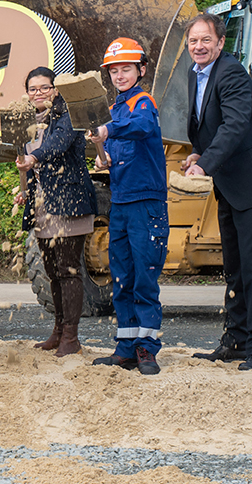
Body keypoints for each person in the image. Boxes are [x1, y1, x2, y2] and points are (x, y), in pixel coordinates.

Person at [183, 13, 252, 370]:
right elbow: (207, 124)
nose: (199, 46)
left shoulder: (231, 72)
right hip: (228, 183)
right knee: (236, 268)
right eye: (193, 40)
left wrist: (204, 164)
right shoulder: (197, 74)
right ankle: (237, 339)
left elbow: (237, 124)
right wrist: (199, 151)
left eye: (205, 40)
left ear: (221, 42)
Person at [85, 39, 168, 375]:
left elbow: (142, 127)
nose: (119, 75)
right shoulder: (117, 108)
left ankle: (147, 349)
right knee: (122, 277)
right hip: (120, 202)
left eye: (126, 69)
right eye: (114, 70)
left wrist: (107, 129)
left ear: (141, 70)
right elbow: (120, 151)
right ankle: (126, 347)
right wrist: (105, 157)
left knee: (145, 278)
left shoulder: (142, 103)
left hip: (145, 203)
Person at [14, 67, 98, 358]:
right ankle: (59, 330)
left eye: (45, 88)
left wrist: (34, 157)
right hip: (42, 205)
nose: (39, 93)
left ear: (56, 89)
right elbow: (22, 161)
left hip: (69, 200)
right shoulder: (26, 122)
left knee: (68, 269)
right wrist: (23, 189)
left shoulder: (68, 115)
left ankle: (71, 336)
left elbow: (58, 144)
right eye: (33, 89)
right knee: (51, 271)